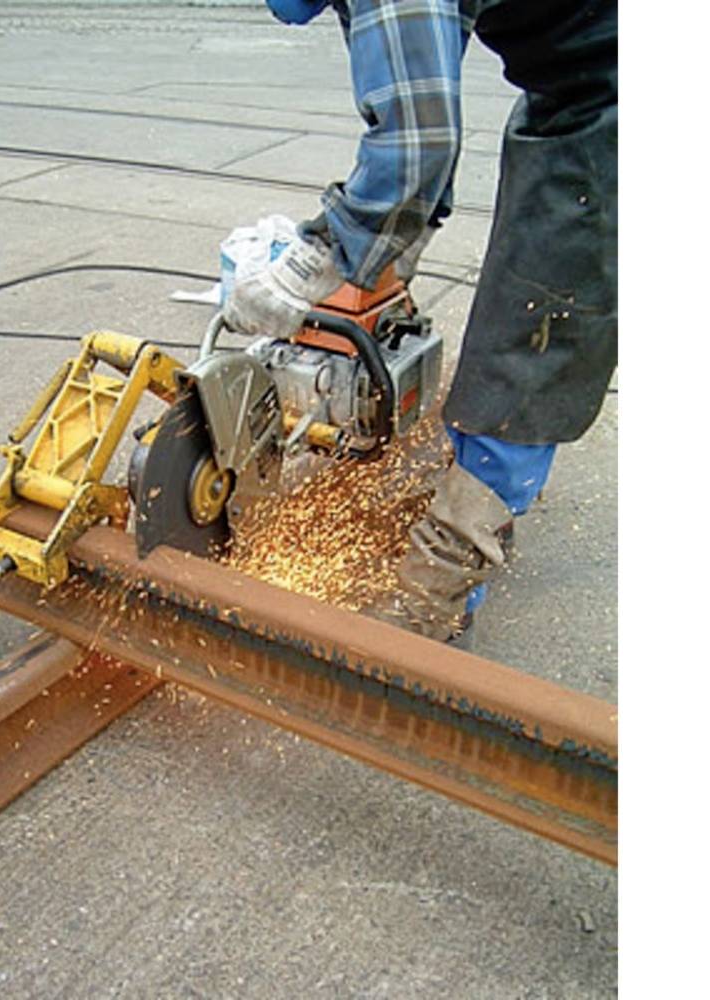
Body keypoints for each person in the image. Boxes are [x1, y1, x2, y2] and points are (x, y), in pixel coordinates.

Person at [224, 0, 617, 642]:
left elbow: (418, 146)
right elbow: (423, 90)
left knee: (537, 321)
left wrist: (313, 259)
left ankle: (448, 569)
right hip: (576, 81)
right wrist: (392, 236)